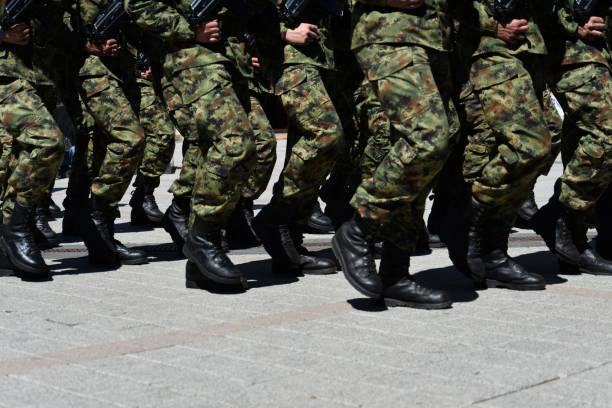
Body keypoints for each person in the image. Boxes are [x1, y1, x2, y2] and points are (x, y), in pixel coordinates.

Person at [333, 0, 464, 309]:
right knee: (427, 138)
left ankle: (396, 272)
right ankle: (359, 227)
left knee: (430, 152)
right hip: (391, 31)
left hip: (434, 37)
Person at [126, 0, 257, 288]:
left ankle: (200, 255)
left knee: (237, 147)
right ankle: (203, 239)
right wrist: (189, 28)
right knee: (235, 143)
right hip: (189, 54)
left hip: (227, 56)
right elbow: (138, 5)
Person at [533, 1, 612, 275]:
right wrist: (573, 25)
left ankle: (576, 243)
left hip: (599, 47)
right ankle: (561, 215)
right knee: (606, 136)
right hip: (573, 49)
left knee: (583, 140)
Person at [0, 0, 72, 279]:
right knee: (48, 142)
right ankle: (15, 225)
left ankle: (9, 245)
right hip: (5, 74)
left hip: (36, 75)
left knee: (12, 159)